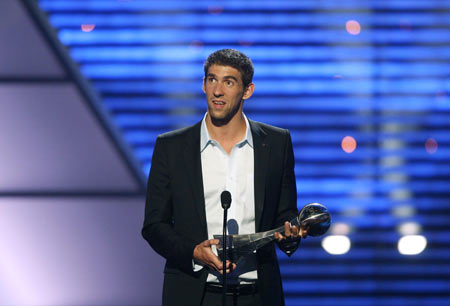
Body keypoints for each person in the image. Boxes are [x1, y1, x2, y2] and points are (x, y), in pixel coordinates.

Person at [142, 49, 306, 306]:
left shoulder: (276, 144)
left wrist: (290, 235)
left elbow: (285, 215)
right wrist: (194, 253)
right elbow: (154, 225)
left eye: (228, 82)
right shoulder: (172, 147)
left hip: (258, 295)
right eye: (211, 80)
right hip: (194, 294)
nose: (217, 91)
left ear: (247, 91)